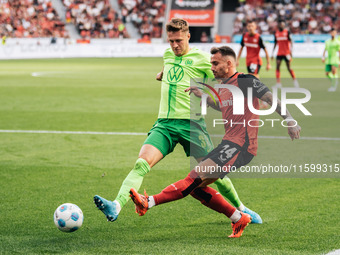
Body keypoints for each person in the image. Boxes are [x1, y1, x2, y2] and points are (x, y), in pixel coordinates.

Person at [94, 19, 262, 223]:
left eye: (179, 41)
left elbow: (225, 76)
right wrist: (163, 74)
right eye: (171, 41)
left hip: (193, 125)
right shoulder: (167, 55)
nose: (175, 45)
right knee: (141, 163)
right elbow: (172, 69)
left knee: (216, 174)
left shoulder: (202, 59)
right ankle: (116, 205)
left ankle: (242, 209)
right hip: (164, 124)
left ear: (188, 36)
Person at [129, 46, 301, 238]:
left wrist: (290, 120)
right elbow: (223, 106)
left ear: (229, 64)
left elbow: (270, 99)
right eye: (211, 63)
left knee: (192, 179)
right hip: (228, 144)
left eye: (215, 63)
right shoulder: (224, 86)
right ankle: (237, 217)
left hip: (241, 146)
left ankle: (148, 202)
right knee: (196, 188)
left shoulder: (246, 81)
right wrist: (204, 98)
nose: (211, 67)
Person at [272, 20, 299, 88]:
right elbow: (275, 43)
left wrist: (291, 51)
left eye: (283, 25)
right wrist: (272, 53)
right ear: (278, 25)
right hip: (279, 53)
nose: (282, 26)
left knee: (289, 68)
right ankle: (278, 83)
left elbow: (291, 41)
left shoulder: (287, 32)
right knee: (277, 67)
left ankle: (295, 81)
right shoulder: (276, 33)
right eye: (280, 25)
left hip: (286, 53)